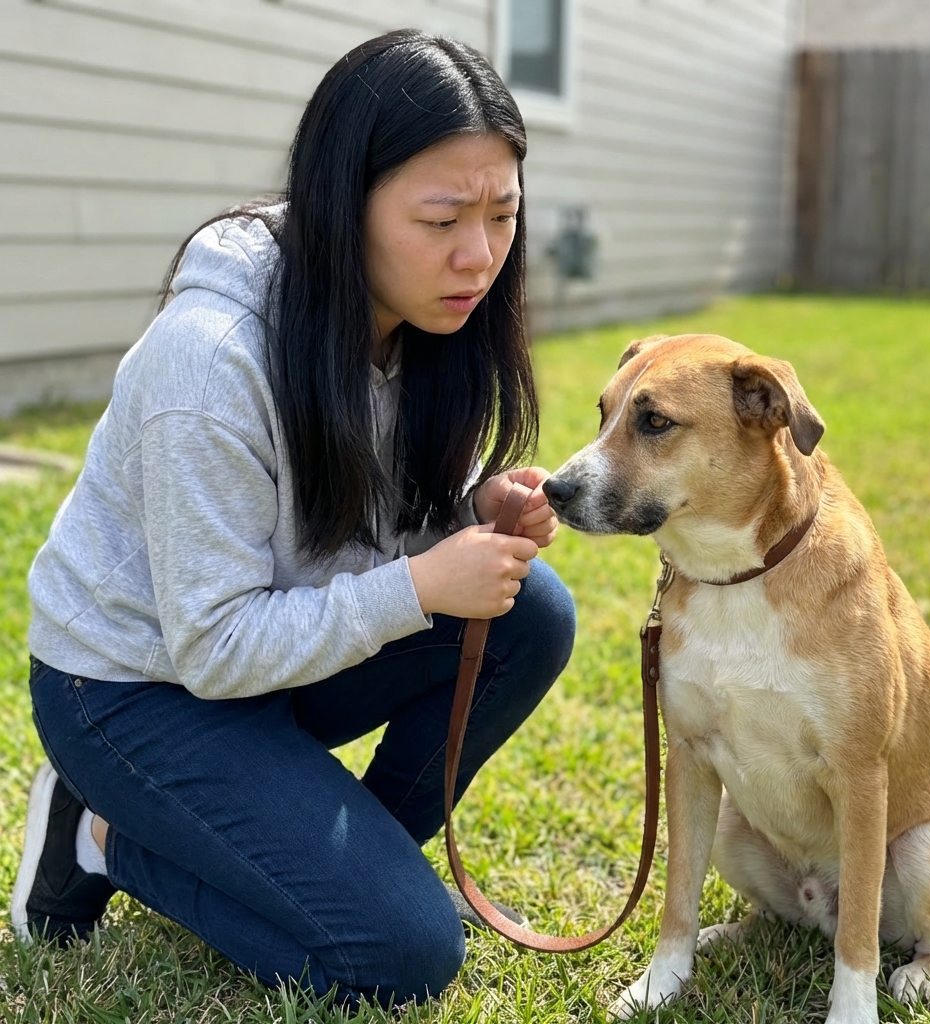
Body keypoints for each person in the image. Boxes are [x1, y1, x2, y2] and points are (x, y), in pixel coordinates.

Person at [11, 29, 575, 1009]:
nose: (478, 254)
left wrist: (464, 508)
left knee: (532, 614)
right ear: (340, 202)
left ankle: (314, 867)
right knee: (401, 958)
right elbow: (213, 646)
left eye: (502, 214)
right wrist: (418, 584)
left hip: (276, 652)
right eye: (441, 217)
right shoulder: (213, 359)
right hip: (134, 689)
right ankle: (98, 832)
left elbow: (362, 496)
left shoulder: (431, 319)